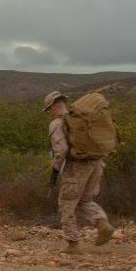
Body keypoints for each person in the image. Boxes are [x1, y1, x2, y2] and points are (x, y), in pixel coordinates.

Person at [43, 91, 116, 254]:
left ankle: (73, 243)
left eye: (49, 110)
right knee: (85, 200)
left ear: (53, 107)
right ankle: (102, 223)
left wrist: (55, 168)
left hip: (77, 167)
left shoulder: (57, 124)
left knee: (67, 203)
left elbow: (61, 150)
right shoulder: (81, 119)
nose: (49, 113)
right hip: (96, 163)